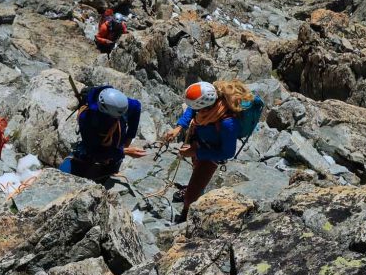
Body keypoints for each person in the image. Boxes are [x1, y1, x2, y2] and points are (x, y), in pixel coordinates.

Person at [162, 80, 252, 222]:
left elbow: (227, 153)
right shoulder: (206, 103)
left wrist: (196, 153)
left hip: (210, 155)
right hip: (199, 143)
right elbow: (191, 109)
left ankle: (185, 218)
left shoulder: (228, 123)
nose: (196, 111)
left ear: (205, 107)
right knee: (196, 172)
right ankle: (196, 190)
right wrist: (179, 127)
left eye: (199, 109)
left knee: (190, 198)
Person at [60, 85, 147, 180]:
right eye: (117, 116)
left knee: (111, 161)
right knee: (87, 156)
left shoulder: (118, 104)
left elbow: (136, 107)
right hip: (95, 143)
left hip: (115, 142)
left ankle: (111, 163)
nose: (120, 117)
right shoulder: (87, 119)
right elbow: (93, 151)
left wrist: (128, 140)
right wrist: (125, 151)